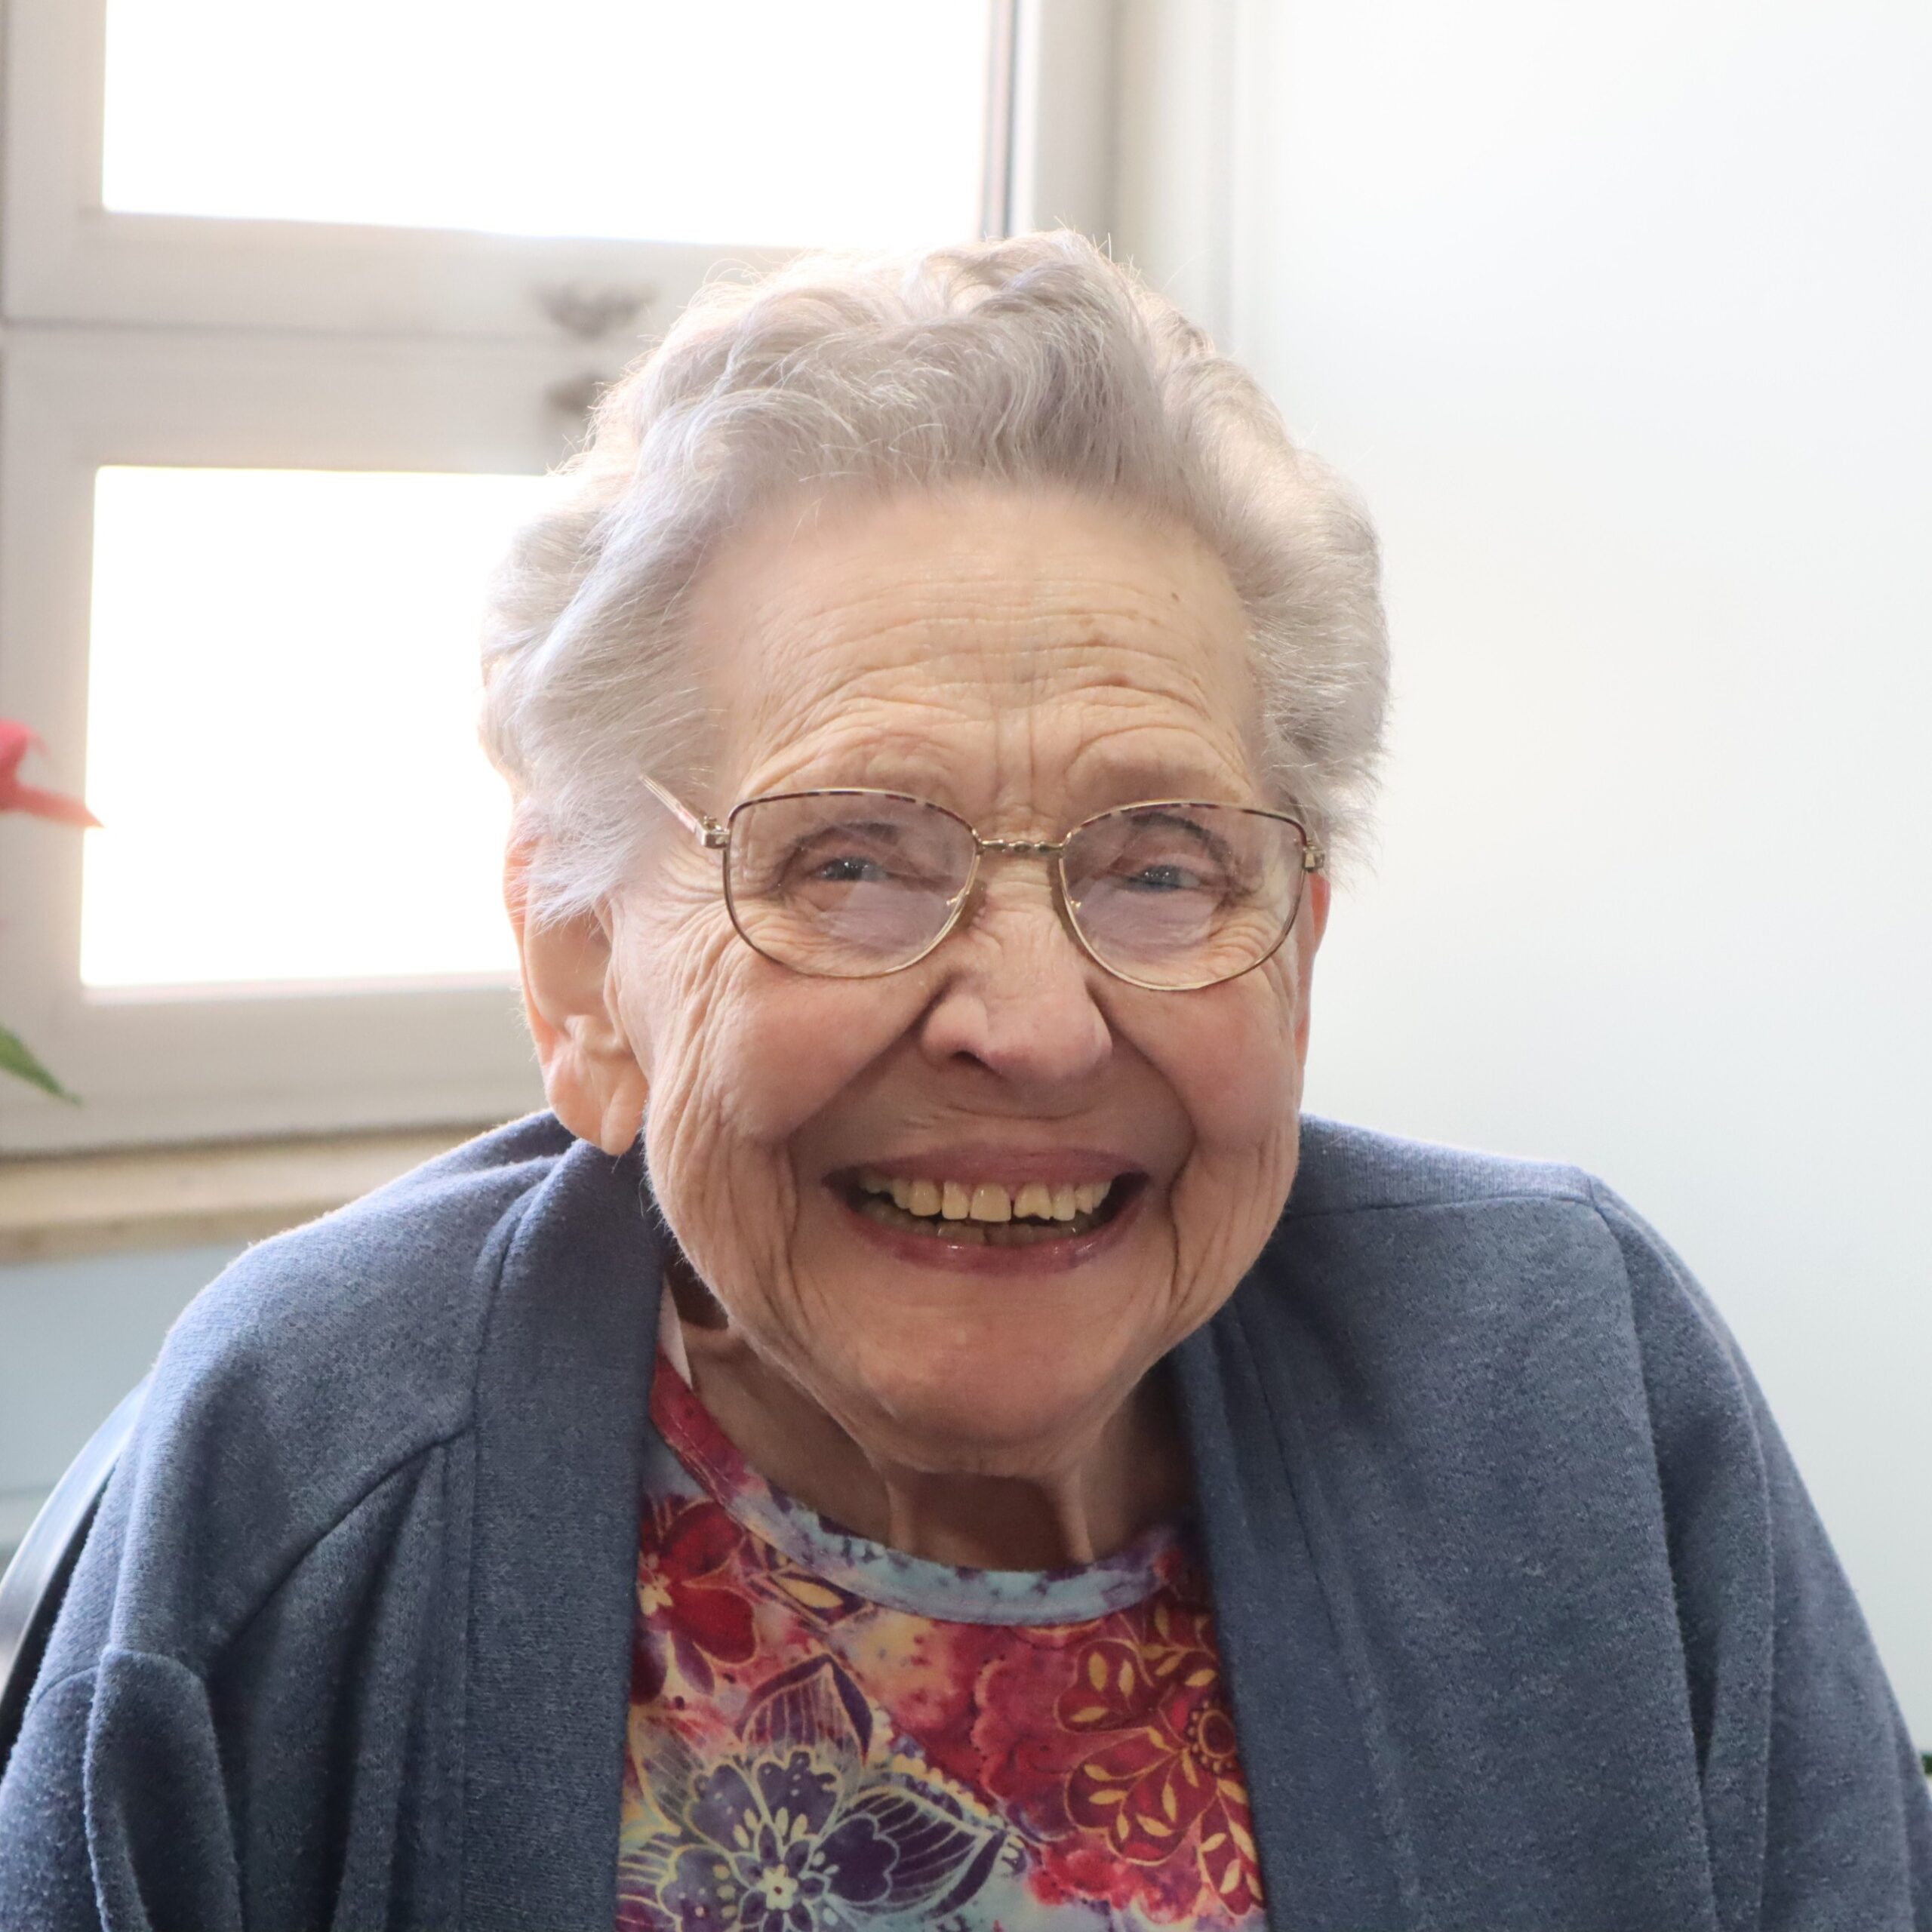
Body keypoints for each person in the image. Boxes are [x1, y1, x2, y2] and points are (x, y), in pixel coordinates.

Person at [1, 232, 1925, 1931]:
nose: (1032, 1020)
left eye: (1161, 865)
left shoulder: (1567, 1378)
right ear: (584, 970)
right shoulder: (303, 1472)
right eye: (848, 856)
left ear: (1298, 944)